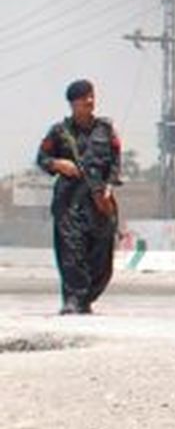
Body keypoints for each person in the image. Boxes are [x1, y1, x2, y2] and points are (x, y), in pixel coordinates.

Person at [36, 79, 122, 314]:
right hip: (69, 202)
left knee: (101, 255)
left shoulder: (105, 129)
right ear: (73, 103)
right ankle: (73, 299)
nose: (90, 101)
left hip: (98, 200)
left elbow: (115, 161)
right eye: (84, 98)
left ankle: (86, 297)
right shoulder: (59, 132)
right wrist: (58, 163)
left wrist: (110, 186)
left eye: (92, 96)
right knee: (71, 252)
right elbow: (41, 159)